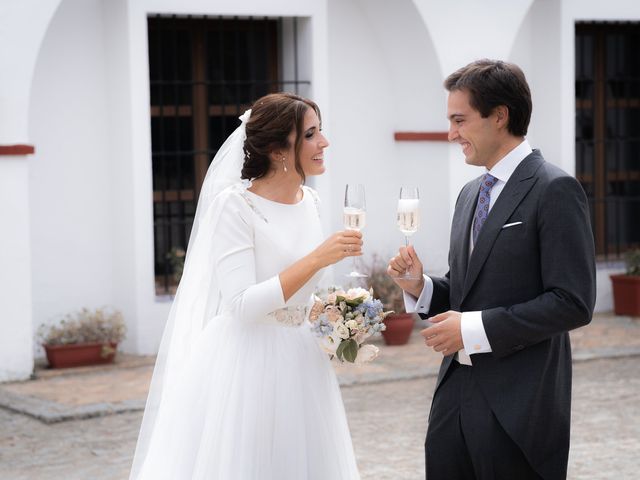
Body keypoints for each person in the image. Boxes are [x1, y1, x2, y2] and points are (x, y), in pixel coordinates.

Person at [130, 93, 362, 479]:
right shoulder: (234, 206)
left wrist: (340, 316)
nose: (324, 142)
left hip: (302, 359)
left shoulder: (313, 202)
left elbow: (305, 291)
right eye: (310, 134)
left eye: (320, 131)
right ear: (277, 149)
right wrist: (319, 258)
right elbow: (241, 304)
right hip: (247, 361)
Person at [388, 59, 596, 479]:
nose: (451, 134)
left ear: (499, 116)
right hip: (453, 401)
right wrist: (422, 287)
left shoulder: (555, 189)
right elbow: (467, 289)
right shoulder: (469, 194)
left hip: (520, 406)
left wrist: (470, 330)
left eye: (460, 120)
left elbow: (572, 302)